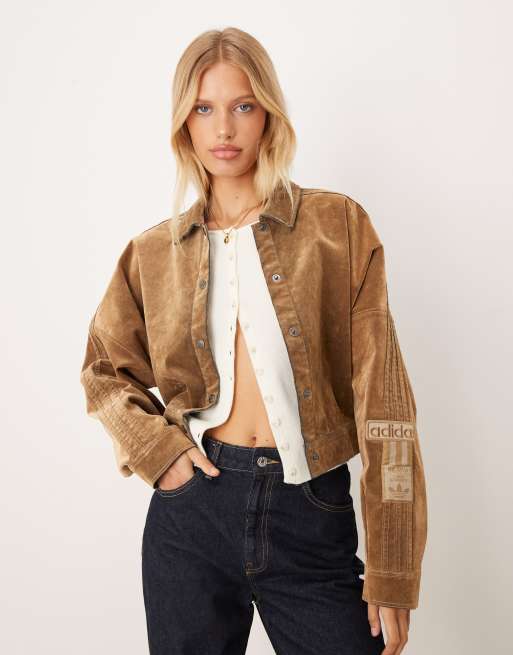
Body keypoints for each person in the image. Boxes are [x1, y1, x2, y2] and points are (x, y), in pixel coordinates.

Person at [80, 26, 427, 655]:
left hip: (310, 513)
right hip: (192, 513)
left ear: (268, 112)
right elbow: (103, 369)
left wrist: (394, 565)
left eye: (242, 105)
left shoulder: (337, 227)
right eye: (203, 109)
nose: (224, 128)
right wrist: (160, 454)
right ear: (183, 124)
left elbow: (386, 404)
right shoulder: (152, 253)